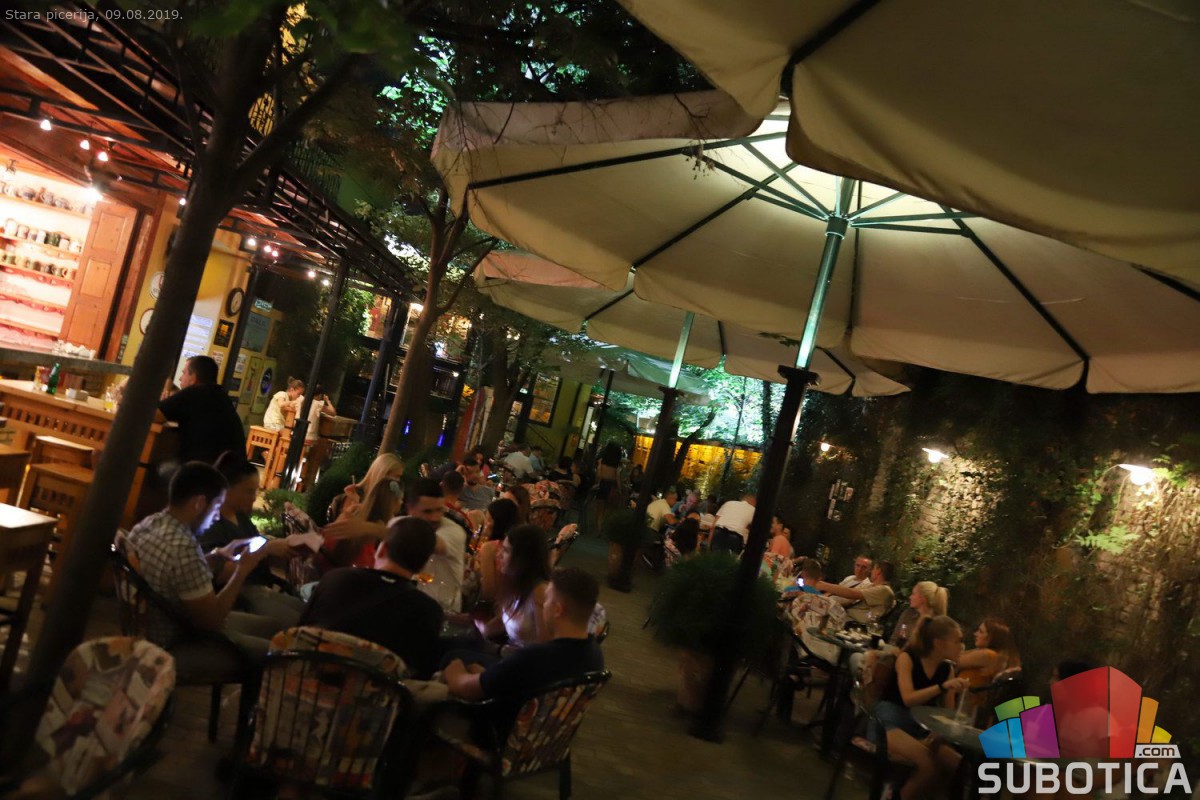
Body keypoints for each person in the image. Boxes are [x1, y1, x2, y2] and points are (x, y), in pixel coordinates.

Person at [124, 462, 293, 660]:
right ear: (199, 503)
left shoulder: (149, 524)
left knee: (274, 627)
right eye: (217, 507)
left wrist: (216, 557)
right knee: (280, 654)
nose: (216, 517)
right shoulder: (184, 548)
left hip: (159, 625)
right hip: (178, 642)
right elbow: (213, 621)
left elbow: (179, 571)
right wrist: (242, 571)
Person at [442, 567, 605, 734]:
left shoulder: (536, 657)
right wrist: (487, 674)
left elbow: (467, 689)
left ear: (557, 609)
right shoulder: (595, 656)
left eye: (547, 599)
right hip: (539, 739)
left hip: (498, 731)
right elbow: (517, 680)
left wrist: (455, 668)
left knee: (452, 656)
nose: (544, 605)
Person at [300, 517, 444, 679]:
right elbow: (418, 674)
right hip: (376, 695)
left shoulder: (334, 578)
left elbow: (300, 631)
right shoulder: (429, 612)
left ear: (381, 549)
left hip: (301, 683)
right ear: (423, 566)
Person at [200, 452, 305, 622]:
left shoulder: (240, 517)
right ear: (227, 490)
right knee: (299, 623)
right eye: (249, 491)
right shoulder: (211, 524)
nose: (254, 497)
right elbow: (219, 575)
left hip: (261, 589)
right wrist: (265, 550)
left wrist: (290, 550)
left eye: (255, 490)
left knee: (309, 612)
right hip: (239, 596)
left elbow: (261, 551)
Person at [874, 616, 969, 800]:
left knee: (959, 767)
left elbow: (949, 713)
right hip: (888, 723)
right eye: (958, 641)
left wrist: (943, 730)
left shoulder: (946, 669)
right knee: (929, 766)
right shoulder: (908, 658)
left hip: (919, 727)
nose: (962, 647)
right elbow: (908, 699)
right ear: (939, 643)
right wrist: (941, 687)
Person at [158, 355, 246, 464]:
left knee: (158, 466)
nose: (180, 378)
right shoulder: (220, 395)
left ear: (193, 378)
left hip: (205, 469)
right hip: (235, 469)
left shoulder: (193, 393)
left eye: (184, 373)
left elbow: (152, 416)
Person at [476, 524, 552, 650]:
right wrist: (480, 631)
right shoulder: (515, 582)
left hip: (524, 658)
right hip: (508, 652)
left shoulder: (540, 592)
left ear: (523, 558)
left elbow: (544, 649)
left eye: (506, 551)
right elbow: (503, 621)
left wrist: (501, 651)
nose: (499, 555)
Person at [405, 478, 468, 613]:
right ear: (410, 509)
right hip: (409, 605)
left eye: (440, 510)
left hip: (444, 612)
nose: (435, 517)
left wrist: (376, 530)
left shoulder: (454, 531)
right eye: (427, 512)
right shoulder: (399, 525)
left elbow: (431, 544)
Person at [813, 560, 897, 624]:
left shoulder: (884, 590)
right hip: (843, 617)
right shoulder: (873, 587)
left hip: (853, 623)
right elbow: (850, 599)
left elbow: (852, 594)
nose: (871, 572)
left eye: (874, 569)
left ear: (878, 571)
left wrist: (823, 585)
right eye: (857, 565)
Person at [957, 618, 1021, 691]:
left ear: (992, 637)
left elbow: (953, 661)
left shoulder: (988, 654)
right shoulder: (995, 656)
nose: (975, 634)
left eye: (981, 632)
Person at [475, 499, 521, 601]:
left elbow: (488, 593)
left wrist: (476, 569)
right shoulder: (520, 546)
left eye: (488, 520)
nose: (485, 525)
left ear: (498, 523)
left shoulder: (490, 548)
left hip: (495, 605)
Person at [889, 581, 950, 646]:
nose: (910, 597)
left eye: (913, 594)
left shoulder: (937, 625)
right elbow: (894, 639)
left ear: (923, 599)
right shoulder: (908, 615)